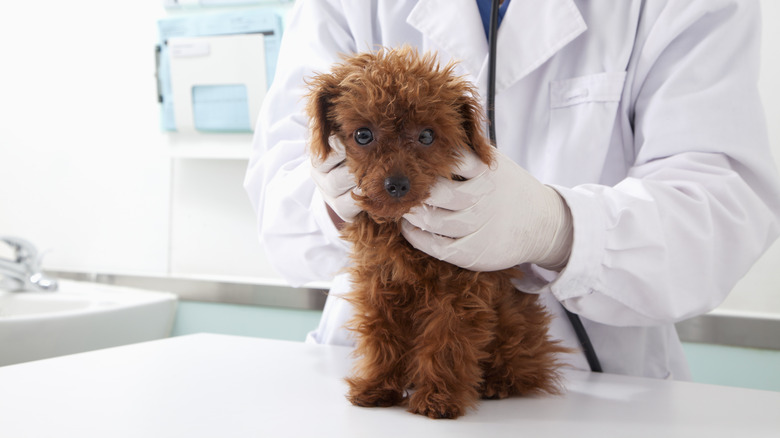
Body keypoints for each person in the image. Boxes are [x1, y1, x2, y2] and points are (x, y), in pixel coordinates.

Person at [244, 0, 780, 380]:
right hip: (381, 369)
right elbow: (278, 190)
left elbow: (721, 202)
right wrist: (338, 198)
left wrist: (558, 228)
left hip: (597, 386)